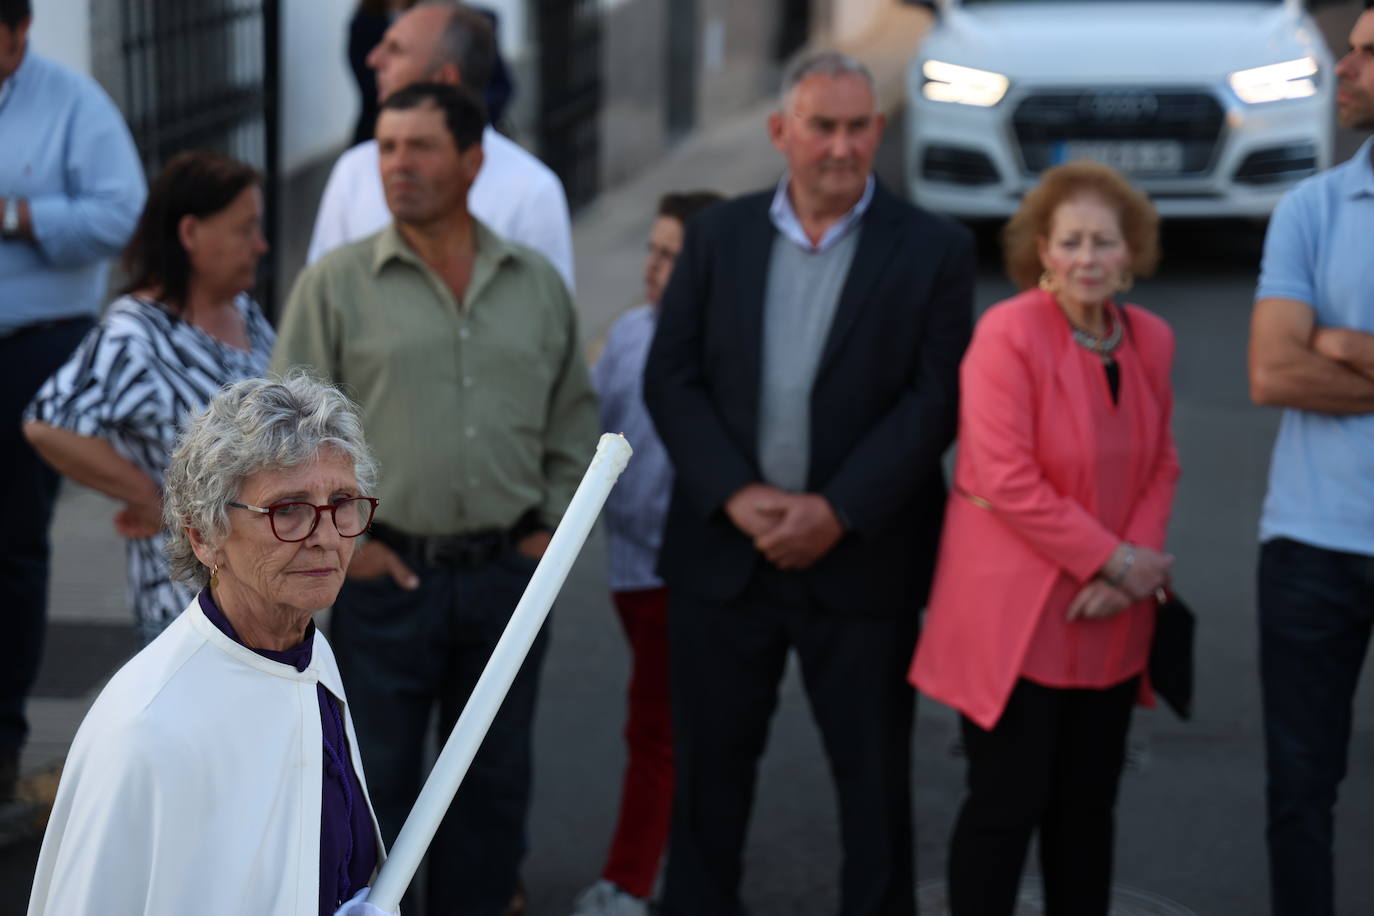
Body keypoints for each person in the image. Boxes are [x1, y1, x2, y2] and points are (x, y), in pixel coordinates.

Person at [643, 51, 976, 916]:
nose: (841, 145)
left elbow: (934, 400)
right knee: (709, 781)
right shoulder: (719, 238)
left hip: (863, 562)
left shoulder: (935, 248)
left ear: (879, 129)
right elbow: (670, 377)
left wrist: (838, 510)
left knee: (874, 789)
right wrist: (739, 496)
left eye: (858, 125)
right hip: (725, 557)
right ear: (780, 132)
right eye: (821, 126)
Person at [272, 81, 598, 916]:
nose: (398, 165)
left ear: (473, 160)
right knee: (371, 790)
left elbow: (573, 420)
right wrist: (353, 551)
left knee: (492, 789)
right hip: (386, 581)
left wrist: (547, 537)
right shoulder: (334, 286)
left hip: (506, 579)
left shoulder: (535, 286)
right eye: (386, 147)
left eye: (419, 147)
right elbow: (286, 435)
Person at [909, 161, 1179, 916]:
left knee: (1088, 811)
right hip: (1020, 621)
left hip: (1111, 617)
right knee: (1006, 805)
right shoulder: (1008, 333)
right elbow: (1002, 477)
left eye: (1104, 241)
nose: (1088, 258)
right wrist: (1118, 559)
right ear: (1042, 252)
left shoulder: (1151, 339)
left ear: (1132, 252)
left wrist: (1132, 572)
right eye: (1071, 242)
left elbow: (1163, 462)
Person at [26, 374, 389, 916]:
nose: (326, 534)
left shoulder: (307, 657)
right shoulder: (147, 730)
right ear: (204, 535)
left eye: (341, 502)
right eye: (286, 509)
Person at [24, 150, 275, 645]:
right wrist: (151, 498)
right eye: (244, 229)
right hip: (187, 607)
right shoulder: (135, 332)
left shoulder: (243, 311)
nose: (261, 245)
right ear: (190, 234)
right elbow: (47, 423)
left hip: (265, 591)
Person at [0, 0, 146, 804]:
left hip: (32, 345)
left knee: (14, 545)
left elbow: (119, 212)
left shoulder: (73, 104)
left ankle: (7, 740)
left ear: (19, 33)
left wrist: (18, 215)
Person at [1247, 5, 1374, 914]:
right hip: (1310, 546)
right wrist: (1309, 350)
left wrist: (1341, 345)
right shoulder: (1312, 207)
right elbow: (1268, 369)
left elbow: (1308, 355)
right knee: (1299, 789)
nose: (1345, 66)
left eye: (1368, 55)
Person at [573, 189, 723, 916]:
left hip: (686, 573)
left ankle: (630, 882)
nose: (656, 268)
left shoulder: (726, 343)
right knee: (675, 722)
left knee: (655, 725)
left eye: (675, 256)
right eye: (653, 251)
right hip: (630, 565)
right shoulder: (631, 332)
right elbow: (589, 433)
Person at [309, 0, 574, 291]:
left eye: (396, 50)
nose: (374, 59)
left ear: (444, 79)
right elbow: (321, 304)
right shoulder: (353, 173)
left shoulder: (531, 190)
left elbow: (551, 324)